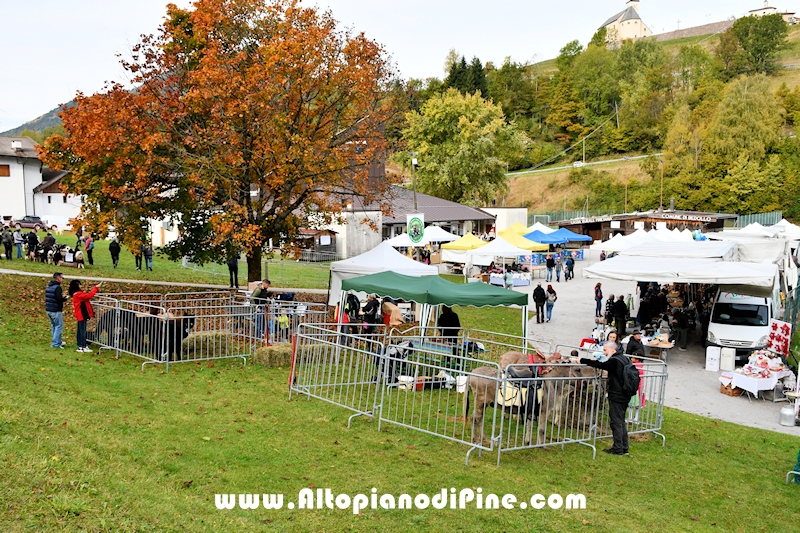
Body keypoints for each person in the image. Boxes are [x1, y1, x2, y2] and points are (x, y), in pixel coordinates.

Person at [579, 342, 631, 455]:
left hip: (617, 394)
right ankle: (624, 447)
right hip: (625, 394)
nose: (604, 352)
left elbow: (601, 365)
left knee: (616, 421)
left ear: (613, 349)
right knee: (621, 420)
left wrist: (583, 360)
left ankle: (618, 448)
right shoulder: (624, 359)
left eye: (605, 350)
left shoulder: (615, 361)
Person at [68, 279, 102, 353]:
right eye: (80, 285)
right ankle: (82, 346)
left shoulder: (77, 294)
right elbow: (89, 295)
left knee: (80, 330)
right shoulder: (78, 294)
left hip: (81, 315)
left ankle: (80, 345)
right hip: (81, 315)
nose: (81, 286)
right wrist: (95, 288)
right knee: (82, 331)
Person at [45, 272, 70, 348]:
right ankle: (55, 343)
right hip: (55, 310)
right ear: (58, 278)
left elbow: (53, 297)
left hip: (49, 309)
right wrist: (65, 298)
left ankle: (57, 341)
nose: (63, 279)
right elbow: (59, 299)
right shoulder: (57, 287)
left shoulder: (49, 286)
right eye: (62, 278)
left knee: (54, 326)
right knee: (59, 326)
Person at [251, 279, 273, 344]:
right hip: (259, 308)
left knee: (264, 323)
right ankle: (258, 337)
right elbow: (252, 298)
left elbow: (264, 299)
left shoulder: (265, 290)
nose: (268, 286)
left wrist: (268, 303)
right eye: (267, 285)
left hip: (264, 308)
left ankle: (263, 336)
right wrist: (256, 307)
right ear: (264, 284)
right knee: (259, 323)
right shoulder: (258, 290)